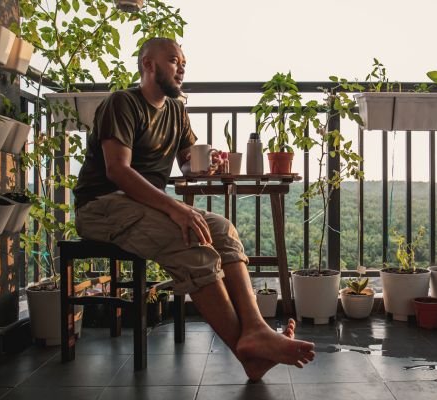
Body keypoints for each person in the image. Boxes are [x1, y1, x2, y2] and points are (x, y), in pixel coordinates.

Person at [72, 37, 315, 381]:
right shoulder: (122, 103)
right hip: (101, 206)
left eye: (184, 61)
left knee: (223, 231)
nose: (182, 67)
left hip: (142, 206)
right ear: (148, 65)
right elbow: (118, 170)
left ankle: (257, 330)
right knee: (191, 244)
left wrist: (205, 165)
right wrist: (175, 208)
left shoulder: (175, 110)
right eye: (173, 60)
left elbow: (187, 163)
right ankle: (245, 347)